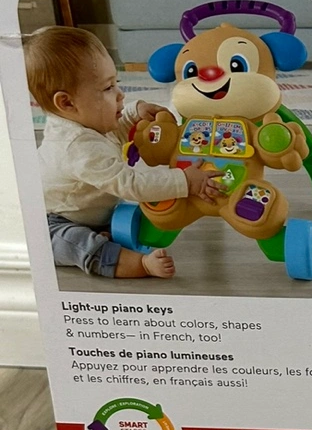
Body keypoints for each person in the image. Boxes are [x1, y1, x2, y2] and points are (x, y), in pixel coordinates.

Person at [24, 26, 222, 280]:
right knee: (76, 243)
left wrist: (133, 114)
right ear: (67, 103)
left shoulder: (86, 121)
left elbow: (113, 132)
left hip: (91, 211)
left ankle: (105, 233)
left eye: (115, 83)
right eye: (108, 88)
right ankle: (138, 264)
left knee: (136, 215)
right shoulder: (76, 147)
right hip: (53, 221)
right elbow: (130, 183)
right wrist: (184, 181)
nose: (120, 94)